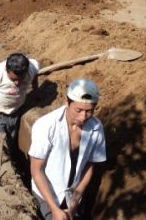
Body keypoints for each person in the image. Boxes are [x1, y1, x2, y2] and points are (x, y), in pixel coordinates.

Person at [29, 79, 106, 220]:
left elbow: (89, 165)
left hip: (73, 196)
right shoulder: (46, 126)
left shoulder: (96, 128)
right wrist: (54, 209)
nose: (83, 117)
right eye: (78, 110)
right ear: (67, 102)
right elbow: (36, 170)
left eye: (89, 111)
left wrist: (76, 198)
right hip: (46, 194)